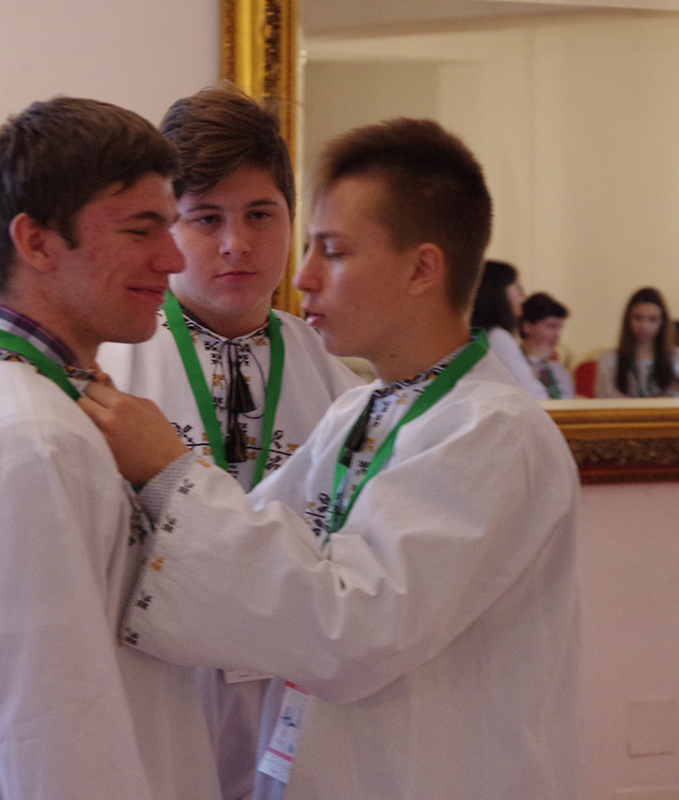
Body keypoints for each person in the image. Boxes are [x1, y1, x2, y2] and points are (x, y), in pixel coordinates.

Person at [82, 118, 581, 800]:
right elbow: (259, 548)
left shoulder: (492, 432)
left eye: (334, 251)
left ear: (422, 268)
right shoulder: (362, 410)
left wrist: (171, 472)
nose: (304, 276)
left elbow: (352, 629)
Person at [0, 97, 225, 800]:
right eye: (140, 229)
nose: (172, 257)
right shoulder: (29, 439)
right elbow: (57, 735)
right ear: (38, 242)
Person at [97, 86, 363, 800]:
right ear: (165, 227)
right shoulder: (111, 375)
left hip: (292, 696)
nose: (236, 244)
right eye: (206, 218)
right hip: (159, 690)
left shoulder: (341, 386)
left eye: (260, 214)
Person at [470, 259, 549, 399]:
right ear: (497, 292)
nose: (524, 297)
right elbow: (535, 396)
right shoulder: (497, 337)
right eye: (519, 289)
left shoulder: (475, 335)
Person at [595, 287, 679, 398]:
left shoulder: (678, 358)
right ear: (628, 320)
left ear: (662, 323)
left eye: (652, 319)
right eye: (638, 318)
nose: (644, 326)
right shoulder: (610, 360)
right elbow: (605, 401)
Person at [520, 291, 576, 399]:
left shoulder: (560, 371)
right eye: (551, 326)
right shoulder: (513, 363)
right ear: (527, 327)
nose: (557, 335)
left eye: (559, 328)